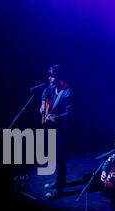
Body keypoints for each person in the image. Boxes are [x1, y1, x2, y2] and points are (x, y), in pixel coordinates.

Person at [39, 65, 72, 199]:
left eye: (52, 76)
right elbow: (44, 92)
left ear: (59, 77)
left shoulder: (68, 92)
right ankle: (60, 181)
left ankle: (59, 189)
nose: (49, 78)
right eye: (49, 76)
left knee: (60, 157)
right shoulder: (51, 88)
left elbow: (70, 113)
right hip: (54, 127)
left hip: (63, 128)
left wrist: (56, 118)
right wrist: (42, 105)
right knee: (55, 156)